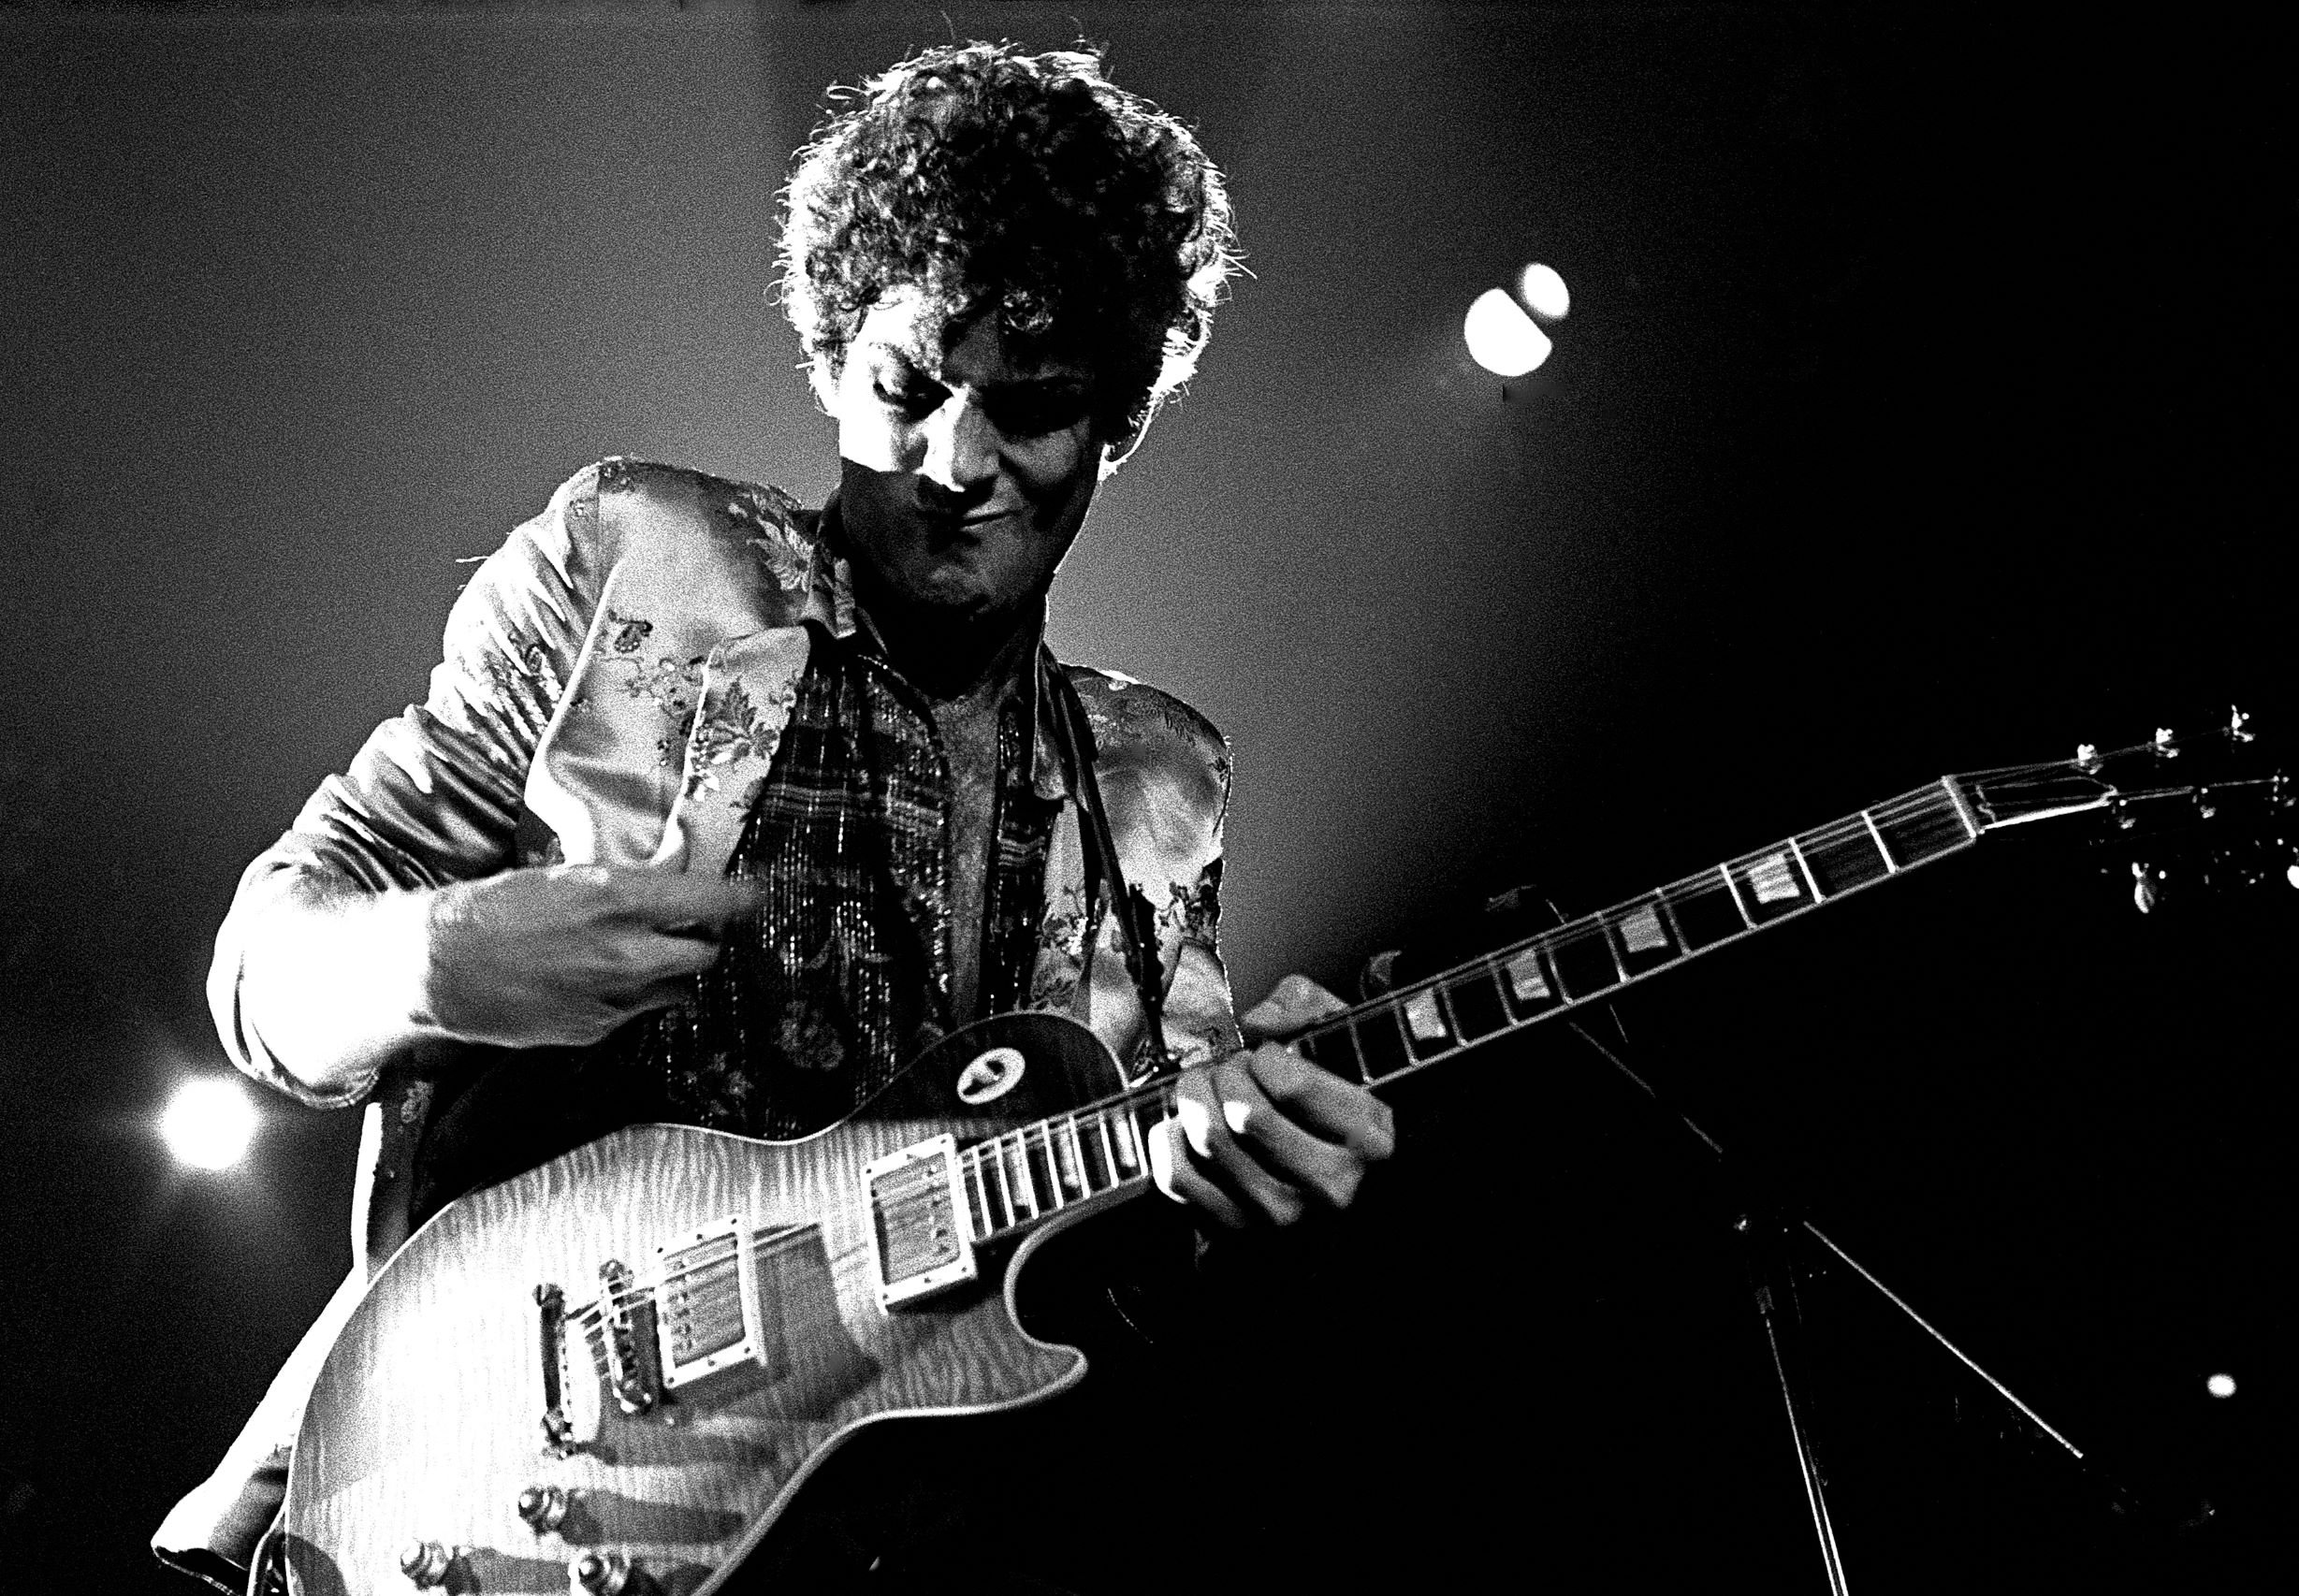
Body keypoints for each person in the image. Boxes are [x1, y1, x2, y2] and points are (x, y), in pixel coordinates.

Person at [154, 41, 1394, 1595]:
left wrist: (1251, 1161)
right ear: (830, 360)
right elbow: (265, 966)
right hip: (485, 1489)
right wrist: (437, 956)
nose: (955, 460)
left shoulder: (1157, 780)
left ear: (1113, 426)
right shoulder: (645, 564)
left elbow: (1113, 1248)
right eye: (905, 388)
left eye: (1032, 408)